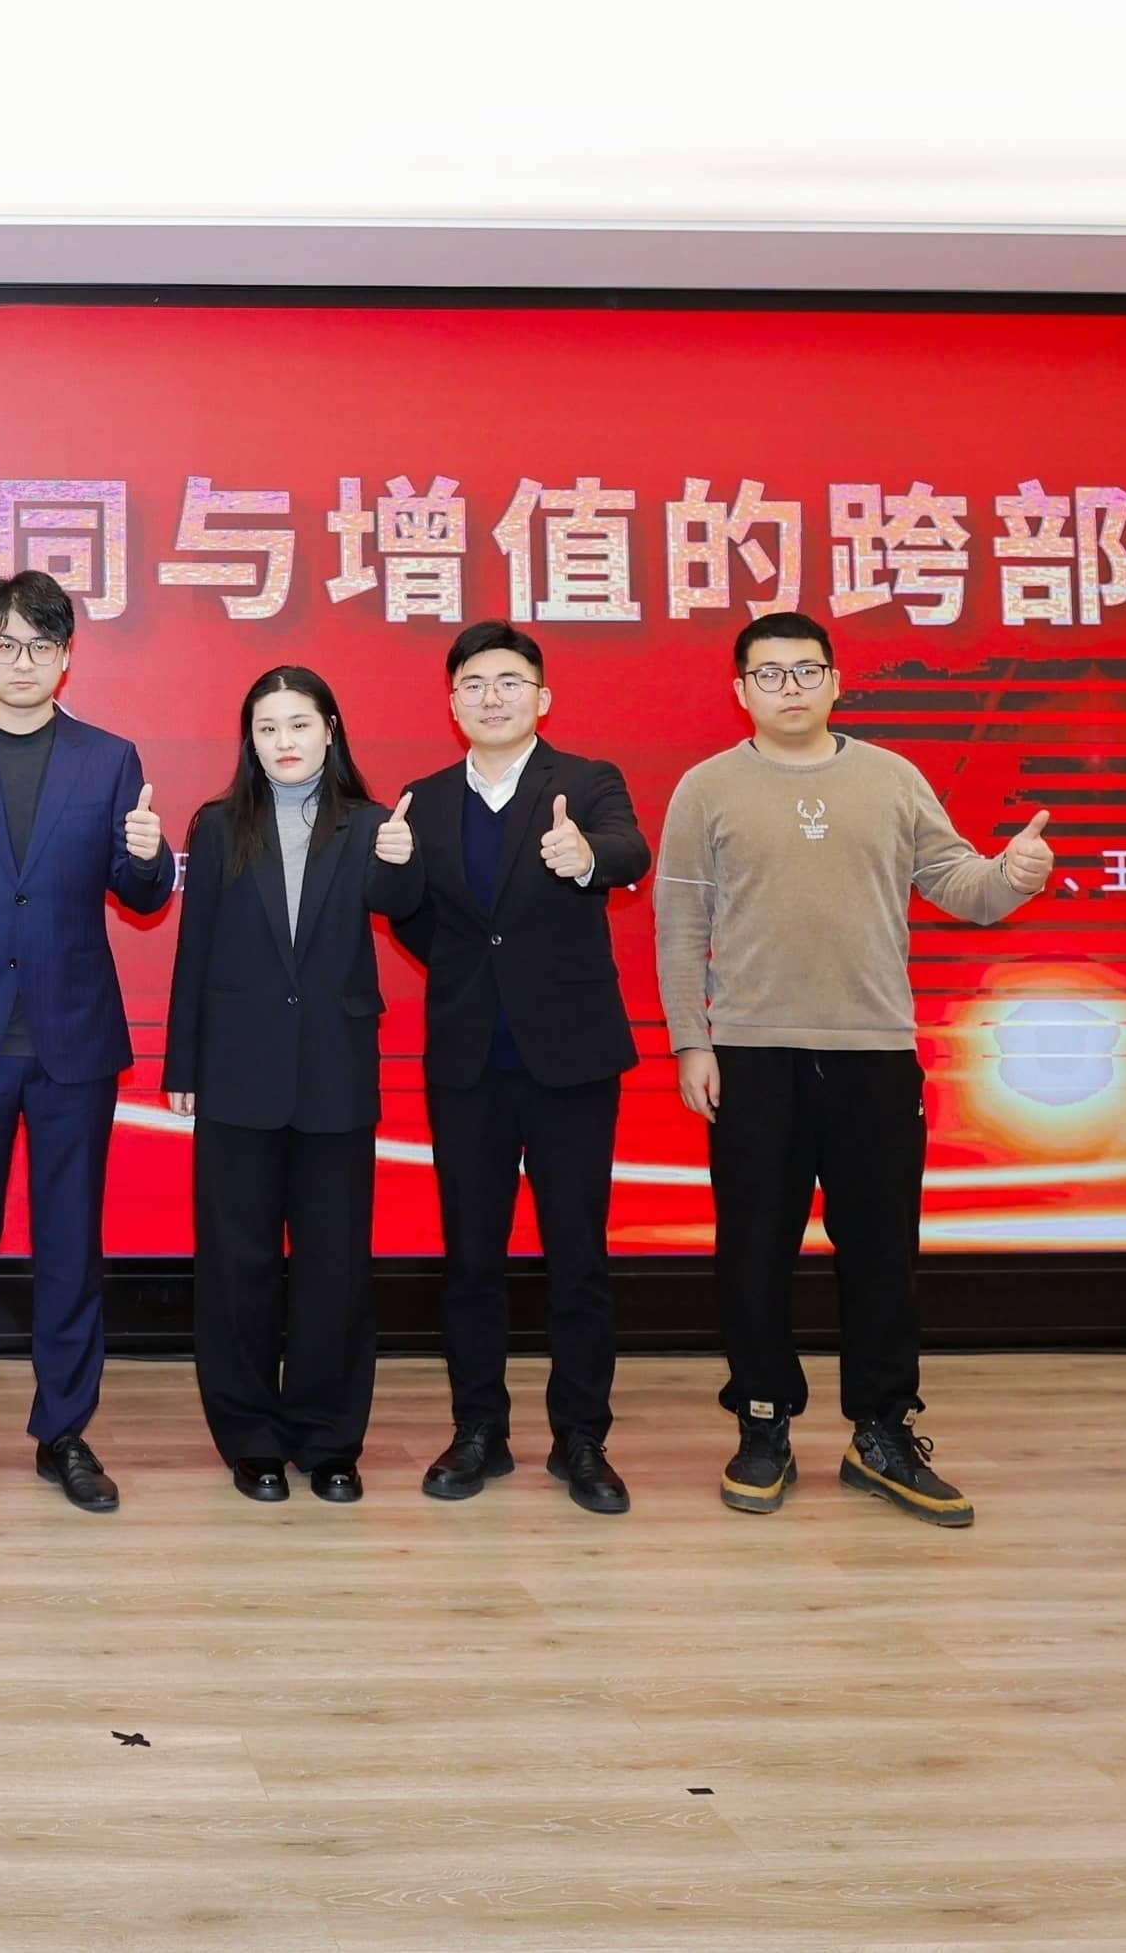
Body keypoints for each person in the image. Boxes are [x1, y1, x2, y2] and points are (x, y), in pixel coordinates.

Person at [655, 609, 1056, 1528]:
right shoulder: (706, 789)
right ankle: (763, 1421)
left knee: (881, 1253)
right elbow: (678, 928)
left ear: (836, 682)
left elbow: (962, 886)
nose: (789, 688)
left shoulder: (892, 778)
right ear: (741, 691)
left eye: (806, 671)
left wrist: (1014, 874)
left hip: (874, 1053)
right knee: (754, 1251)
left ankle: (882, 1430)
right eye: (769, 673)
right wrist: (690, 1041)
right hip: (752, 1055)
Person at [0, 571, 178, 1516]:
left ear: (66, 657)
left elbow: (139, 896)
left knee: (71, 1246)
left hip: (73, 1041)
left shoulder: (110, 758)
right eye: (5, 644)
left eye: (41, 646)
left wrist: (147, 857)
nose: (23, 661)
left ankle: (65, 1433)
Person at [378, 622, 653, 1516]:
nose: (491, 697)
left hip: (571, 1054)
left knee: (578, 1255)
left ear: (542, 697)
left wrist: (589, 858)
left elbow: (630, 850)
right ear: (452, 703)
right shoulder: (423, 799)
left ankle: (582, 1438)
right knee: (471, 1258)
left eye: (509, 681)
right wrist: (405, 893)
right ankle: (479, 1430)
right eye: (474, 684)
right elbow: (410, 913)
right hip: (468, 1059)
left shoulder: (587, 781)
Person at [161, 666, 423, 1502]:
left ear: (331, 729)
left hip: (335, 1069)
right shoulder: (217, 825)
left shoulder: (373, 823)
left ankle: (329, 1439)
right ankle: (251, 1439)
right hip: (236, 1070)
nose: (284, 741)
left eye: (299, 724)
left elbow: (403, 907)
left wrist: (404, 863)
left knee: (334, 1266)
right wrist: (183, 1064)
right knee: (236, 1263)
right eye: (267, 727)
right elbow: (195, 947)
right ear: (250, 738)